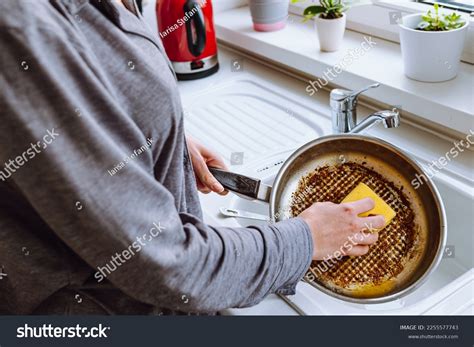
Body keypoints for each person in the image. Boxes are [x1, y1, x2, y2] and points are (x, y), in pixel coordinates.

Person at [0, 0, 384, 315]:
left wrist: (154, 136)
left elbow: (91, 91)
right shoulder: (21, 24)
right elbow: (165, 265)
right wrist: (307, 239)